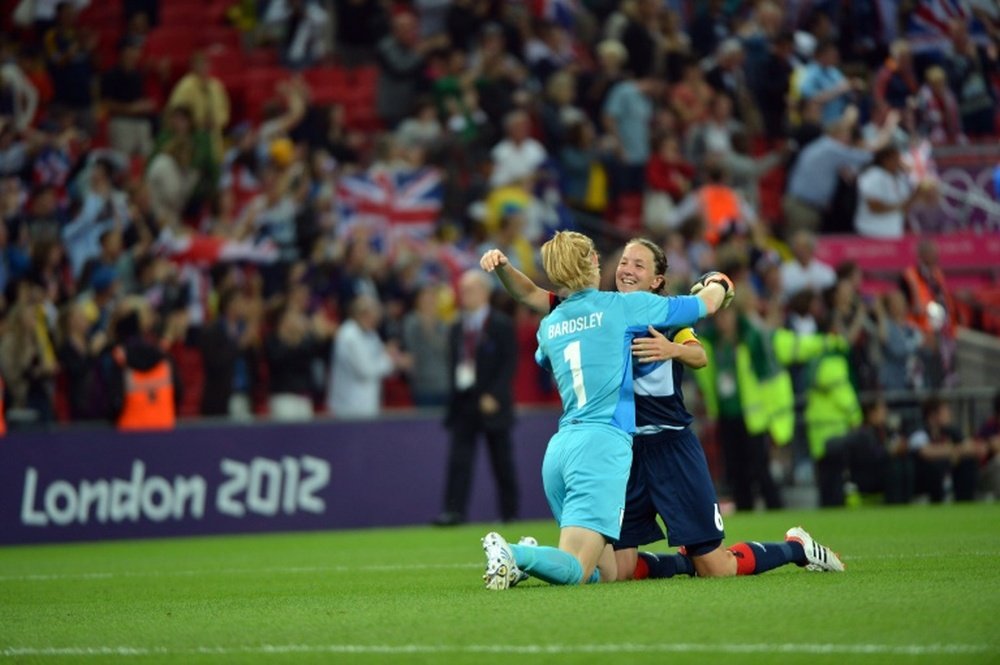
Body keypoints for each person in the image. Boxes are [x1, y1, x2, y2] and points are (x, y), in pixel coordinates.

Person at [485, 238, 842, 584]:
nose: (626, 268)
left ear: (656, 280)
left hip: (664, 443)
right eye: (623, 261)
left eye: (638, 264)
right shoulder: (612, 307)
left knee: (714, 566)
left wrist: (672, 349)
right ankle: (675, 565)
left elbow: (700, 355)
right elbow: (533, 294)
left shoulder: (645, 313)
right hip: (622, 450)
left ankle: (796, 548)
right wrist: (720, 283)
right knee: (616, 570)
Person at [478, 231, 731, 590]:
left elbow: (533, 305)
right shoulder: (625, 307)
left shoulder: (550, 325)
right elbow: (704, 304)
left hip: (561, 449)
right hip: (602, 446)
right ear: (595, 262)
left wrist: (504, 268)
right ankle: (515, 554)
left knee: (609, 573)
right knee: (577, 572)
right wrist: (720, 282)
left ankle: (528, 563)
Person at [434, 271, 518, 526]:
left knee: (502, 462)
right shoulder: (458, 326)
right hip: (464, 401)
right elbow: (455, 362)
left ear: (484, 293)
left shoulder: (501, 324)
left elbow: (509, 363)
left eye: (469, 290)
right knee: (459, 461)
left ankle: (509, 514)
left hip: (492, 403)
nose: (464, 295)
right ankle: (453, 512)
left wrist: (495, 394)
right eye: (462, 290)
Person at [327, 294, 404, 419]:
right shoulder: (349, 334)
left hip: (367, 407)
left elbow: (382, 360)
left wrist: (391, 357)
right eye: (373, 314)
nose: (376, 319)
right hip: (348, 408)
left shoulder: (371, 334)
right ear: (362, 314)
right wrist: (391, 360)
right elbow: (365, 370)